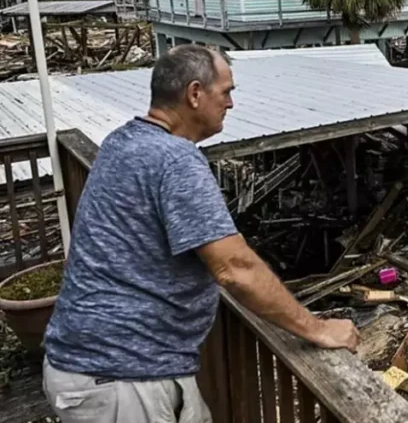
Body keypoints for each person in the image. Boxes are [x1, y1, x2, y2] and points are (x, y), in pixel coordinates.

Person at [42, 45, 359, 422]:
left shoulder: (122, 141)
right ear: (195, 94)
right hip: (121, 375)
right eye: (226, 92)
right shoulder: (175, 160)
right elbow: (234, 268)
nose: (231, 104)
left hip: (105, 365)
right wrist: (318, 329)